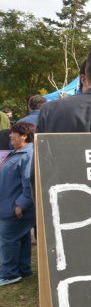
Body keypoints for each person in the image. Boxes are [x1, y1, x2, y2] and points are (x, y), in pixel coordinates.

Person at [0, 122, 35, 286]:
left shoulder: (28, 154)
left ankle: (9, 274)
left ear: (24, 136)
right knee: (22, 238)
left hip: (16, 208)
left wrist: (21, 204)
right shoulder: (18, 152)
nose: (10, 135)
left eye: (13, 132)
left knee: (8, 240)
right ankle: (23, 270)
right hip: (10, 205)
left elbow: (29, 182)